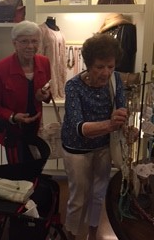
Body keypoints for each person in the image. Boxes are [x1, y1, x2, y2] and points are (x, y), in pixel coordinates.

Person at [61, 33, 130, 240]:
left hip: (103, 146)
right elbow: (79, 127)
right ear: (88, 64)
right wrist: (111, 124)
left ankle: (92, 233)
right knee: (78, 198)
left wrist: (125, 126)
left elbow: (121, 109)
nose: (106, 72)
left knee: (99, 194)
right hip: (77, 149)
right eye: (100, 67)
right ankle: (71, 235)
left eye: (110, 66)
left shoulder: (116, 80)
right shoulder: (73, 87)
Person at [0, 20, 51, 162]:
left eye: (34, 41)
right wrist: (13, 116)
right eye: (24, 41)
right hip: (12, 132)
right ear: (14, 43)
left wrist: (45, 95)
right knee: (18, 174)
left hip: (36, 128)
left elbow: (47, 90)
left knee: (37, 167)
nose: (30, 46)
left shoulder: (44, 62)